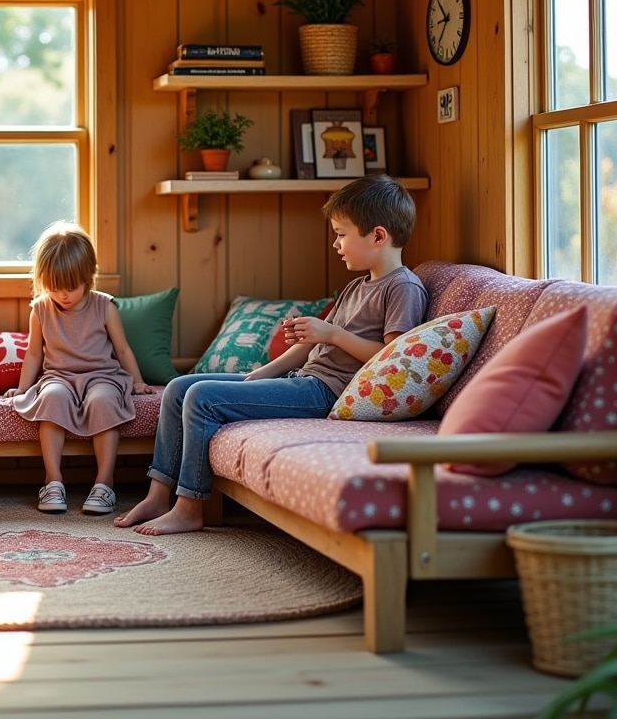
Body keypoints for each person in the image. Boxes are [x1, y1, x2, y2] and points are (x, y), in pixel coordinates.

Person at [114, 174, 427, 536]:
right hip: (302, 381)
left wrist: (333, 334)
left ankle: (189, 508)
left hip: (326, 392)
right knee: (179, 388)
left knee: (201, 399)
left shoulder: (403, 287)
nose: (335, 243)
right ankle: (158, 494)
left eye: (342, 234)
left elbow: (392, 358)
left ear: (377, 236)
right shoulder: (358, 285)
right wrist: (261, 374)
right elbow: (308, 347)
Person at [5, 220, 153, 515]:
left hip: (102, 377)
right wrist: (22, 390)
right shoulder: (41, 309)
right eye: (54, 287)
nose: (63, 295)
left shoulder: (104, 306)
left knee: (102, 401)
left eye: (71, 288)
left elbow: (122, 349)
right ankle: (53, 480)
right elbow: (34, 354)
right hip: (59, 377)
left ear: (88, 276)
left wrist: (136, 382)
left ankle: (104, 483)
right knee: (51, 398)